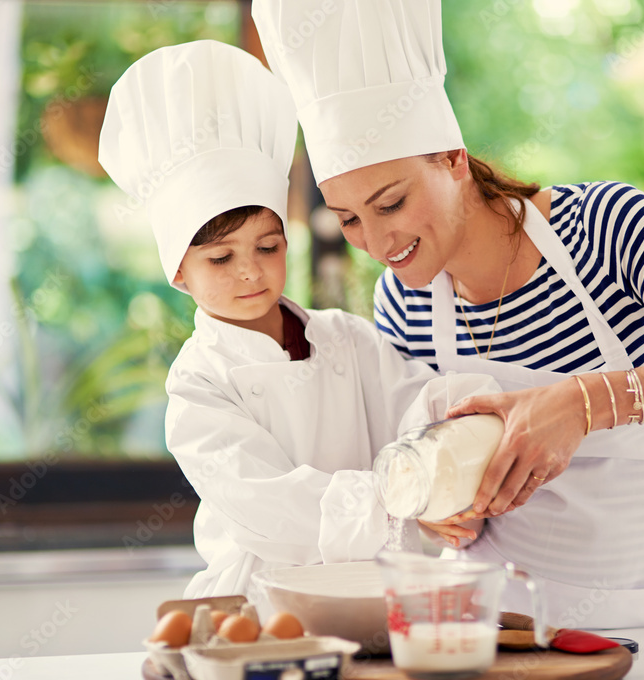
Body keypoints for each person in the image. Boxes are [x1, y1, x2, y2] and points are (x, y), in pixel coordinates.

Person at [253, 0, 644, 628]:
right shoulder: (405, 301)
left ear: (452, 158)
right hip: (494, 627)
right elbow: (417, 465)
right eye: (350, 219)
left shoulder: (606, 227)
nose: (379, 244)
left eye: (391, 203)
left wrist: (581, 404)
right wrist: (435, 508)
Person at [97, 40, 497, 603]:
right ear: (179, 272)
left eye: (268, 247)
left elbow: (417, 406)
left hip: (378, 589)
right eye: (220, 258)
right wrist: (402, 497)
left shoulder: (345, 338)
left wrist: (469, 426)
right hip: (263, 602)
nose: (249, 273)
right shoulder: (198, 387)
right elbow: (277, 510)